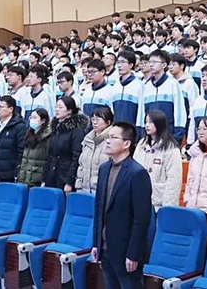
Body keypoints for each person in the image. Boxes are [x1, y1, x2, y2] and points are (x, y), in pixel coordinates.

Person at [91, 121, 153, 289]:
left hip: (126, 251)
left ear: (126, 144)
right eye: (107, 137)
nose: (108, 141)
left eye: (113, 137)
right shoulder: (104, 169)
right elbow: (99, 209)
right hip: (105, 248)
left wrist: (133, 254)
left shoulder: (137, 173)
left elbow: (141, 219)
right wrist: (96, 242)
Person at [133, 110, 183, 210]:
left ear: (159, 123)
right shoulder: (142, 144)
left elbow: (174, 179)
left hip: (158, 202)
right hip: (139, 200)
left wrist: (168, 208)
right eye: (146, 122)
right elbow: (133, 168)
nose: (147, 125)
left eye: (151, 122)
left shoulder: (171, 148)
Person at [138, 50, 187, 142]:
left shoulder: (172, 84)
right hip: (150, 136)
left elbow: (179, 109)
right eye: (150, 62)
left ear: (164, 65)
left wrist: (178, 132)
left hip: (168, 134)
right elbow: (141, 111)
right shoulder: (146, 86)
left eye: (154, 62)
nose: (151, 65)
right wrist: (140, 131)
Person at [43, 97, 89, 192]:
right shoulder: (56, 129)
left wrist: (69, 182)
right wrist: (44, 179)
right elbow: (49, 156)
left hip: (65, 177)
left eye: (60, 107)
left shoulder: (77, 131)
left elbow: (77, 157)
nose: (57, 110)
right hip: (52, 176)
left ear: (69, 111)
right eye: (56, 107)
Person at [0, 96, 28, 182]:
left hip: (10, 173)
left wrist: (17, 172)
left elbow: (21, 151)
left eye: (1, 107)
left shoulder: (19, 127)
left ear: (11, 109)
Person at [76, 108, 113, 194]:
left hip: (102, 191)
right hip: (83, 189)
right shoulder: (87, 140)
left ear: (108, 122)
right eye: (93, 119)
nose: (94, 122)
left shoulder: (111, 141)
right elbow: (81, 166)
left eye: (98, 120)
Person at [17, 108, 52, 187]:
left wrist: (44, 179)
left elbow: (48, 159)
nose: (32, 120)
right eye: (31, 117)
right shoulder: (29, 134)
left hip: (37, 178)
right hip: (24, 177)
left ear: (43, 120)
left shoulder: (47, 137)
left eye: (35, 118)